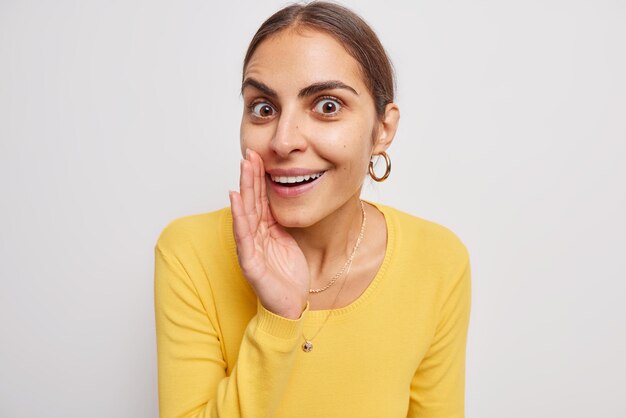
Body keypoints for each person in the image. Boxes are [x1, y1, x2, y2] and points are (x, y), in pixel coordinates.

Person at [154, 2, 472, 417]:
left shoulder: (438, 260)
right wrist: (278, 317)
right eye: (263, 108)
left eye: (327, 106)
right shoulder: (188, 252)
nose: (283, 141)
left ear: (383, 129)